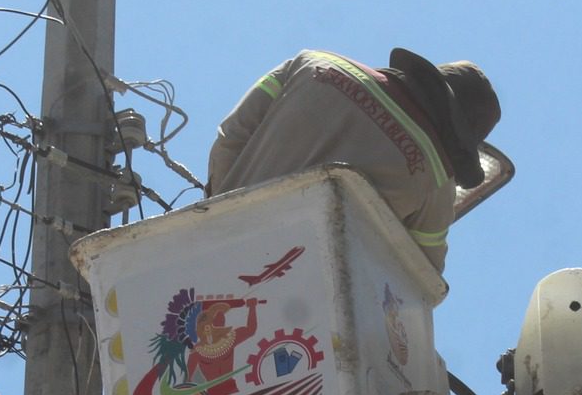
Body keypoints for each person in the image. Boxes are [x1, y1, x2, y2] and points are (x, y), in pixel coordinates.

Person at [205, 48, 503, 273]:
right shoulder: (436, 180)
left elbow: (230, 138)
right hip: (288, 304)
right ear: (460, 139)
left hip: (205, 248)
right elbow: (420, 278)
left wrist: (217, 210)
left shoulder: (310, 63)